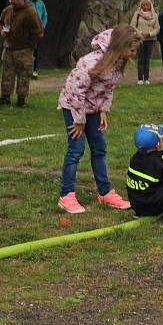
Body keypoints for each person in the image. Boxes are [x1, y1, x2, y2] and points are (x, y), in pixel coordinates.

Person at [57, 25, 140, 214]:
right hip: (73, 107)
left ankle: (104, 192)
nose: (133, 54)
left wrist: (103, 110)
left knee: (99, 148)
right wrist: (78, 120)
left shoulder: (117, 62)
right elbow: (75, 91)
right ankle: (66, 195)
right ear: (120, 45)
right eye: (131, 49)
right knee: (75, 151)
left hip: (92, 110)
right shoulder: (92, 62)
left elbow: (108, 89)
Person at [0, 0, 43, 108]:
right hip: (8, 48)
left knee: (24, 75)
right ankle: (5, 97)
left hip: (24, 50)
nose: (10, 1)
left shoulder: (31, 13)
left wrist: (30, 46)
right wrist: (1, 31)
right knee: (6, 74)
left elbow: (38, 32)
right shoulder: (8, 10)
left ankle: (21, 100)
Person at [130, 0, 160, 85]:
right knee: (141, 59)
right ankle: (140, 78)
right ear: (141, 5)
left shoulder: (154, 15)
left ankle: (146, 78)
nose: (145, 6)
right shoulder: (137, 14)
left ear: (150, 5)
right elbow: (132, 25)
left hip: (150, 40)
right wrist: (139, 34)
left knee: (147, 59)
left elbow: (157, 28)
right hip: (140, 39)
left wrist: (150, 34)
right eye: (143, 5)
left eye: (147, 4)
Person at [27, 0, 48, 80]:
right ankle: (25, 71)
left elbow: (45, 15)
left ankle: (34, 71)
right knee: (26, 51)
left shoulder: (41, 3)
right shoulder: (26, 2)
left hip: (37, 32)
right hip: (27, 32)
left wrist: (43, 26)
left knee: (35, 52)